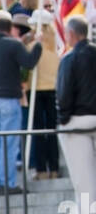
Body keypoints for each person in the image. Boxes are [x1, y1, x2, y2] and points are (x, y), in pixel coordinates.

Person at [0, 11, 42, 195]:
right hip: (8, 97)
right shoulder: (14, 44)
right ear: (10, 29)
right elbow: (29, 62)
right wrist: (37, 46)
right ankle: (8, 182)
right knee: (9, 142)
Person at [56, 15, 96, 214]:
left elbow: (63, 93)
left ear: (71, 34)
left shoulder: (70, 59)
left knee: (83, 177)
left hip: (77, 121)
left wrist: (63, 119)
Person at [29, 17, 61, 179]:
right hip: (51, 91)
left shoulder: (32, 48)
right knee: (51, 130)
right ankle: (54, 167)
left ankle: (41, 169)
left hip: (36, 92)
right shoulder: (55, 52)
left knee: (39, 131)